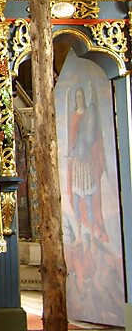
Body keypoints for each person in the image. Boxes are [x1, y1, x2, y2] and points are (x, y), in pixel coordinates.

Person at [67, 84, 109, 243]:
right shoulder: (74, 117)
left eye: (81, 96)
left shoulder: (89, 115)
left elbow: (93, 138)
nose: (79, 99)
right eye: (77, 97)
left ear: (84, 98)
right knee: (77, 202)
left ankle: (92, 237)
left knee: (90, 204)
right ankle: (78, 236)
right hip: (78, 164)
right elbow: (71, 139)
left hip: (87, 164)